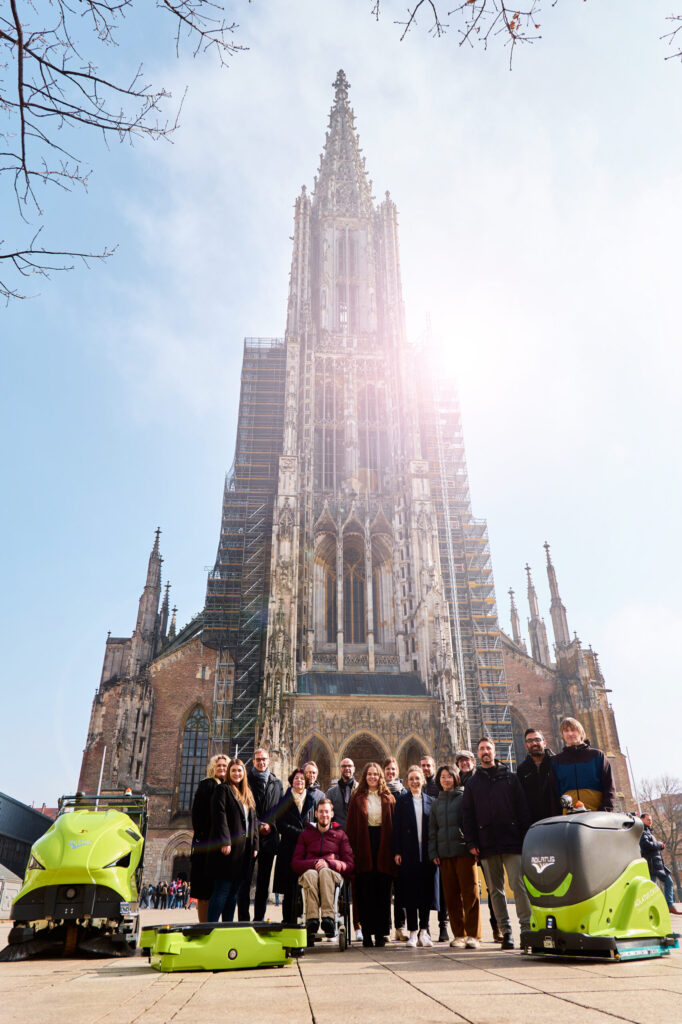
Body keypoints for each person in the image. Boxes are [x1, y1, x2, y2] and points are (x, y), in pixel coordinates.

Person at [462, 737, 531, 950]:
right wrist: (472, 841)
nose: (485, 752)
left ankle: (527, 930)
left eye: (488, 748)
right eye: (482, 749)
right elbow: (468, 815)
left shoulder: (510, 778)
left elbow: (522, 809)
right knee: (495, 890)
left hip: (511, 840)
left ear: (494, 752)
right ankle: (506, 931)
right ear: (478, 753)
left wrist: (524, 836)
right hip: (487, 842)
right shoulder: (473, 783)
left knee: (518, 886)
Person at [428, 764, 481, 949]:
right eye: (442, 777)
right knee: (451, 897)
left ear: (456, 778)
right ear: (438, 780)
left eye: (449, 776)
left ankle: (473, 935)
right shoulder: (436, 803)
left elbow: (471, 822)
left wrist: (473, 845)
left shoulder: (465, 797)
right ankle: (459, 934)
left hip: (463, 851)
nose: (446, 780)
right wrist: (433, 852)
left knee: (470, 894)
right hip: (445, 854)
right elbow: (432, 830)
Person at [345, 762, 396, 947]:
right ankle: (366, 932)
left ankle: (381, 933)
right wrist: (350, 852)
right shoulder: (357, 798)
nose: (372, 777)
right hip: (363, 845)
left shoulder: (388, 798)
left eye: (376, 774)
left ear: (380, 776)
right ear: (364, 776)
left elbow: (394, 827)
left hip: (383, 845)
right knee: (365, 891)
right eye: (369, 774)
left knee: (383, 892)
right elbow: (350, 827)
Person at [291, 797, 354, 939]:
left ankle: (328, 918)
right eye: (321, 812)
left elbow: (349, 864)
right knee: (312, 874)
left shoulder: (340, 835)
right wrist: (314, 863)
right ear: (316, 814)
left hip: (332, 874)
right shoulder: (305, 835)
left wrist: (329, 863)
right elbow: (295, 863)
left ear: (332, 814)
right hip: (310, 874)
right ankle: (312, 920)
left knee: (325, 872)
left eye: (327, 812)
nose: (324, 815)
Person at [207, 758, 259, 922]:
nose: (237, 773)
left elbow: (254, 820)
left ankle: (227, 927)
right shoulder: (223, 789)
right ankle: (211, 927)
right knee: (222, 889)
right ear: (229, 773)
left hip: (243, 850)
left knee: (234, 892)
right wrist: (225, 840)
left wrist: (255, 844)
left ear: (244, 773)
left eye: (240, 770)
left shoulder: (247, 794)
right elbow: (219, 815)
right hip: (228, 848)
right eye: (234, 770)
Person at [393, 764, 438, 949]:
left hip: (426, 852)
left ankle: (424, 931)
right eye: (411, 779)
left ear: (423, 780)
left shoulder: (431, 801)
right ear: (407, 781)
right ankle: (412, 932)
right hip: (409, 851)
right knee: (410, 892)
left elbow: (435, 829)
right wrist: (397, 851)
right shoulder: (402, 802)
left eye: (417, 778)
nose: (414, 782)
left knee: (426, 892)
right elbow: (396, 829)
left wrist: (435, 852)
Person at [238, 748, 284, 921]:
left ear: (269, 761)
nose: (261, 762)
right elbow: (242, 808)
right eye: (258, 760)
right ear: (253, 761)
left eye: (264, 759)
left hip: (269, 838)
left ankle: (259, 919)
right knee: (245, 880)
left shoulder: (277, 783)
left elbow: (280, 809)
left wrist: (270, 825)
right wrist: (257, 825)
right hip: (250, 837)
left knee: (264, 882)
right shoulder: (245, 781)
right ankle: (243, 919)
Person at [273, 767, 317, 924]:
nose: (299, 781)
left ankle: (308, 924)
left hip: (306, 850)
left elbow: (316, 823)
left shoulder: (312, 801)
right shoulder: (284, 801)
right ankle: (289, 922)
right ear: (292, 781)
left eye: (302, 779)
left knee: (308, 888)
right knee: (290, 890)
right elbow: (280, 824)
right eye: (297, 779)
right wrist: (301, 834)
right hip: (289, 849)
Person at [190, 753, 228, 922]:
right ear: (213, 768)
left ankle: (212, 923)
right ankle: (203, 924)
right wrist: (203, 837)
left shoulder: (227, 787)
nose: (222, 768)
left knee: (216, 886)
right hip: (207, 843)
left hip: (221, 843)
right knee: (204, 887)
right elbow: (197, 814)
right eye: (219, 765)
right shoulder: (207, 785)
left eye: (225, 766)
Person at [550, 717, 615, 814]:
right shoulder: (556, 761)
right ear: (562, 736)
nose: (570, 733)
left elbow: (609, 787)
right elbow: (553, 794)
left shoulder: (597, 755)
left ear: (581, 733)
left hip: (597, 815)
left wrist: (604, 811)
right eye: (566, 731)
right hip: (568, 818)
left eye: (573, 730)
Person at [421, 754, 449, 941]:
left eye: (428, 765)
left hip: (439, 842)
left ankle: (443, 925)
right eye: (422, 765)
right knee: (423, 887)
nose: (425, 768)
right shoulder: (416, 787)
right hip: (422, 843)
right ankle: (425, 927)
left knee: (442, 887)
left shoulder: (440, 788)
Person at [383, 758, 408, 941]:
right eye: (388, 769)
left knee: (401, 889)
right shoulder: (379, 792)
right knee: (384, 889)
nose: (390, 772)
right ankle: (385, 928)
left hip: (401, 847)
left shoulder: (404, 793)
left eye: (393, 769)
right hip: (384, 846)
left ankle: (400, 927)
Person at [640, 813, 681, 914]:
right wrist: (659, 844)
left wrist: (660, 846)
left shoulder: (649, 832)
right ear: (642, 820)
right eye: (648, 819)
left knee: (669, 882)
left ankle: (670, 906)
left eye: (651, 819)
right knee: (651, 888)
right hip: (650, 864)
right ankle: (650, 910)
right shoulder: (641, 831)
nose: (650, 821)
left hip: (658, 864)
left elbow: (651, 846)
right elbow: (645, 845)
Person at [516, 729, 555, 824]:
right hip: (534, 822)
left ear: (544, 742)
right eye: (529, 741)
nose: (534, 743)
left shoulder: (556, 763)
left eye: (537, 740)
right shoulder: (521, 769)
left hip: (557, 818)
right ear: (526, 745)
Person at [327, 758, 358, 830]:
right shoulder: (331, 792)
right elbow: (329, 816)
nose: (347, 768)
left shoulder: (362, 790)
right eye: (344, 766)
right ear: (340, 769)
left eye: (349, 766)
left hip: (357, 833)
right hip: (338, 833)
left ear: (354, 769)